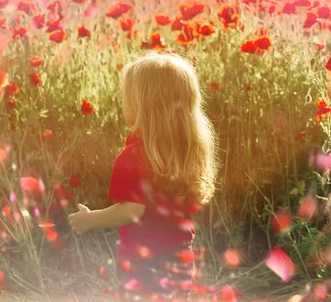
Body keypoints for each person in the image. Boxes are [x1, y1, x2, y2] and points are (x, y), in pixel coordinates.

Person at [68, 50, 219, 301]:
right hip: (181, 255)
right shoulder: (185, 151)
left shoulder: (133, 157)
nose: (122, 102)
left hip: (143, 263)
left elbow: (130, 211)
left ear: (142, 106)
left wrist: (90, 219)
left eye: (126, 97)